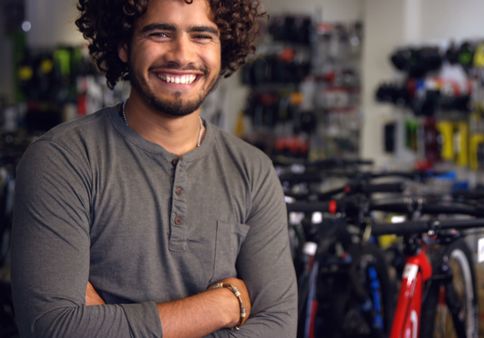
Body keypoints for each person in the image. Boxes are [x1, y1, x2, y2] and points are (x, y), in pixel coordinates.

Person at [11, 0, 297, 337]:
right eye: (160, 33)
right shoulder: (63, 160)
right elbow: (53, 328)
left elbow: (278, 326)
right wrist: (221, 305)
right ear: (123, 45)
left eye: (202, 36)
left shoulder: (253, 171)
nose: (182, 54)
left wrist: (106, 323)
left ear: (224, 47)